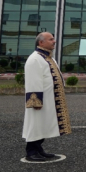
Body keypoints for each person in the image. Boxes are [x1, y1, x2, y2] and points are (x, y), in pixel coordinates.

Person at [22, 32, 72, 162]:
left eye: (53, 39)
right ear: (41, 42)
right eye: (51, 39)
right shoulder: (35, 59)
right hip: (39, 101)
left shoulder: (47, 58)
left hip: (49, 100)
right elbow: (33, 81)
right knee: (36, 124)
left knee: (42, 125)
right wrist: (35, 101)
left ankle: (39, 150)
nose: (54, 41)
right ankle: (31, 152)